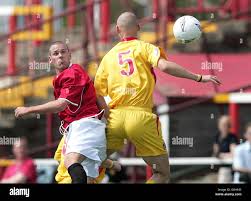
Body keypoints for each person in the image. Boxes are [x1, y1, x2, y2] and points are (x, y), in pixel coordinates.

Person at [94, 12, 221, 183]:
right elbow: (165, 66)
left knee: (91, 161)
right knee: (161, 173)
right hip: (141, 118)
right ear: (138, 28)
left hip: (115, 118)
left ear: (117, 29)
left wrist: (107, 113)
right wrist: (198, 77)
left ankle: (105, 164)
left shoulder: (107, 57)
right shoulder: (145, 47)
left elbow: (96, 92)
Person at [15, 41, 116, 184]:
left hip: (85, 126)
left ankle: (107, 162)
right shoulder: (60, 78)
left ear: (70, 55)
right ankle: (108, 163)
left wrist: (29, 109)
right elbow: (97, 96)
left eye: (63, 52)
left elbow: (61, 105)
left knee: (70, 162)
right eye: (56, 53)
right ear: (50, 59)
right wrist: (106, 116)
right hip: (82, 129)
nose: (60, 56)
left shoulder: (73, 73)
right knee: (67, 163)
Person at [212, 115, 238, 183]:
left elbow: (234, 153)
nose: (222, 126)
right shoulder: (217, 136)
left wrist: (222, 155)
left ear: (229, 126)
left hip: (230, 167)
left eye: (225, 124)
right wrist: (219, 155)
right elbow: (216, 153)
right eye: (221, 124)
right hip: (221, 166)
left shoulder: (232, 137)